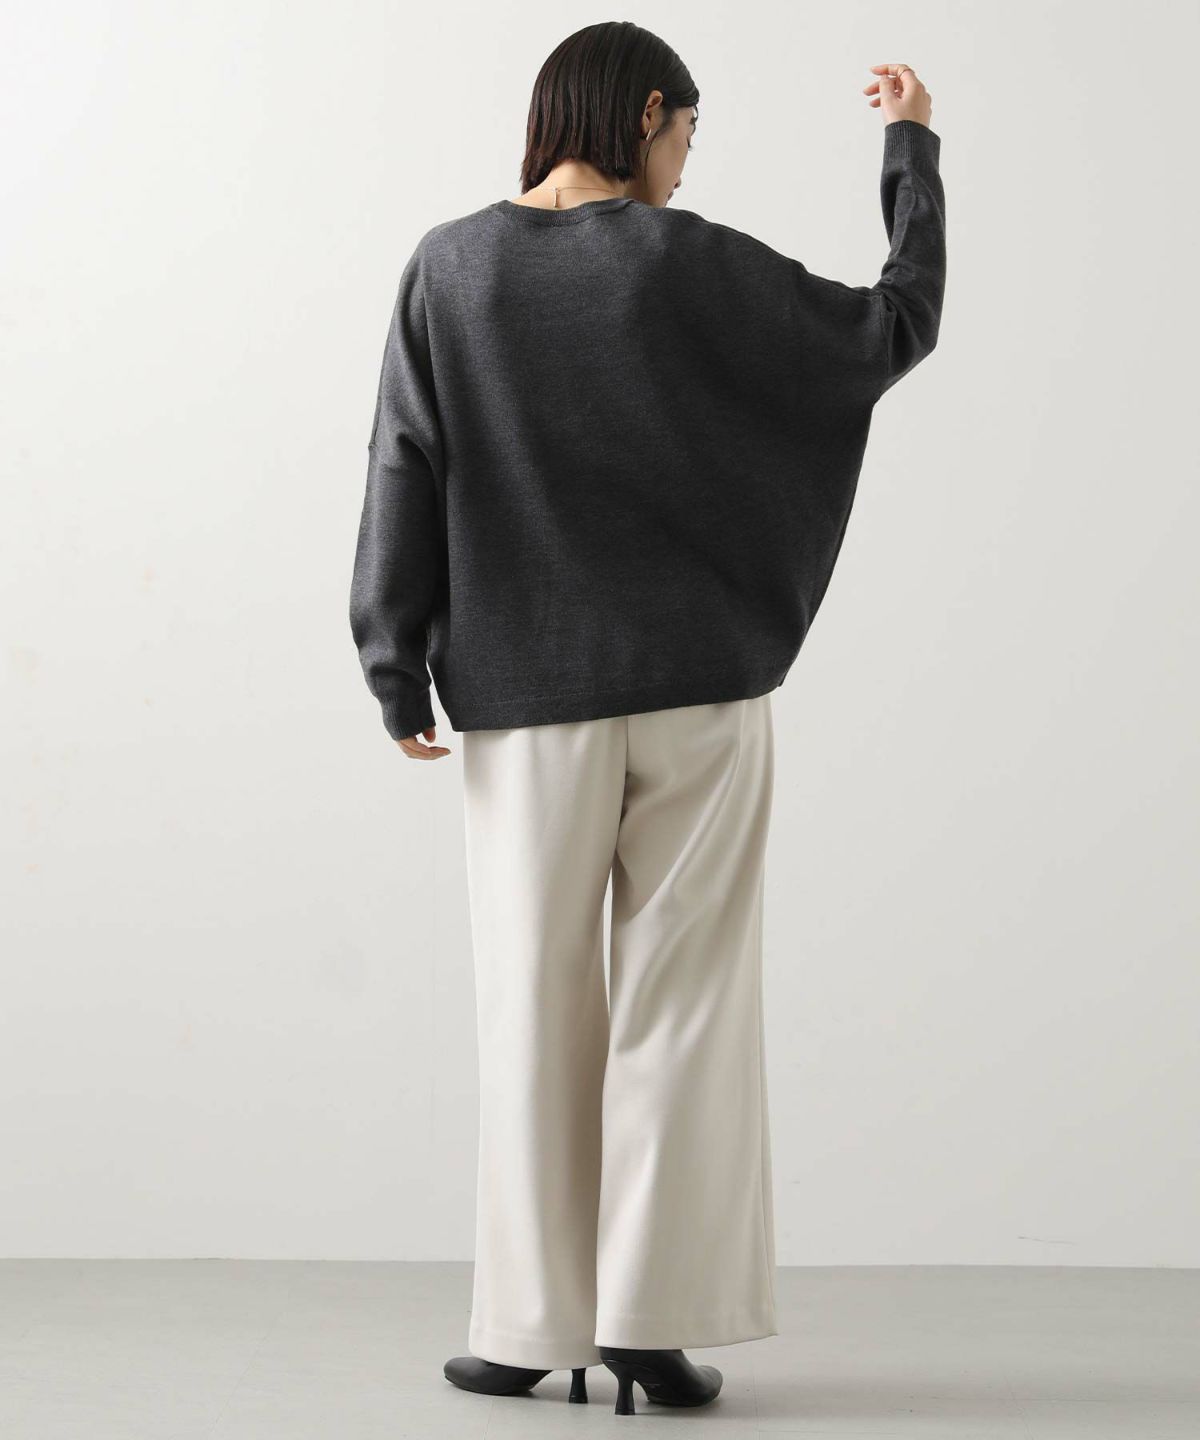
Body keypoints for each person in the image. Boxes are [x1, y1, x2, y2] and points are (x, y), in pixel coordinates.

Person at [349, 20, 945, 1418]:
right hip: (702, 698)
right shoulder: (688, 264)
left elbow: (404, 460)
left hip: (525, 705)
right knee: (686, 1008)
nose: (683, 166)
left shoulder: (451, 266)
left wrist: (394, 659)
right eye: (686, 136)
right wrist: (911, 152)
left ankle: (527, 1327)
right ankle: (649, 1331)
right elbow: (889, 329)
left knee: (534, 1006)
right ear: (649, 116)